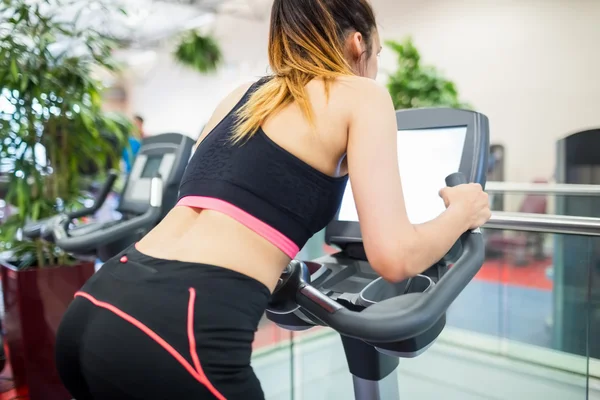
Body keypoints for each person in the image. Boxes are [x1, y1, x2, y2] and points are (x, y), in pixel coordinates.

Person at [54, 1, 491, 399]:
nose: (375, 66)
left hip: (98, 302)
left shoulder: (242, 99)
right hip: (179, 328)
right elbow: (396, 258)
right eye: (377, 53)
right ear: (359, 44)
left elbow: (235, 202)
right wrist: (462, 210)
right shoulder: (362, 94)